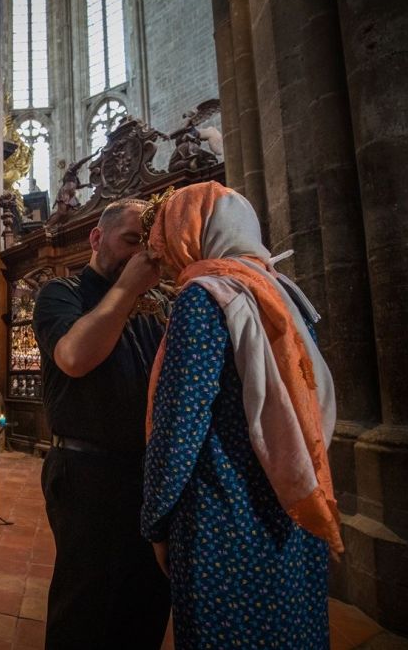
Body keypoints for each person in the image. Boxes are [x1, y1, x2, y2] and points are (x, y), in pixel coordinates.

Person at [140, 181, 342, 648]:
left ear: (191, 231)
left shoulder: (203, 298)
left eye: (167, 234)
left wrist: (155, 520)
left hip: (223, 520)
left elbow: (178, 429)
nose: (162, 255)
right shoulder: (283, 292)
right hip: (291, 508)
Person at [32, 197, 171, 649]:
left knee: (147, 606)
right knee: (86, 612)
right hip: (86, 475)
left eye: (149, 245)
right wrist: (128, 290)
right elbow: (74, 357)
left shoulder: (157, 307)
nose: (140, 254)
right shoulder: (62, 293)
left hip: (149, 475)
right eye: (131, 240)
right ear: (97, 238)